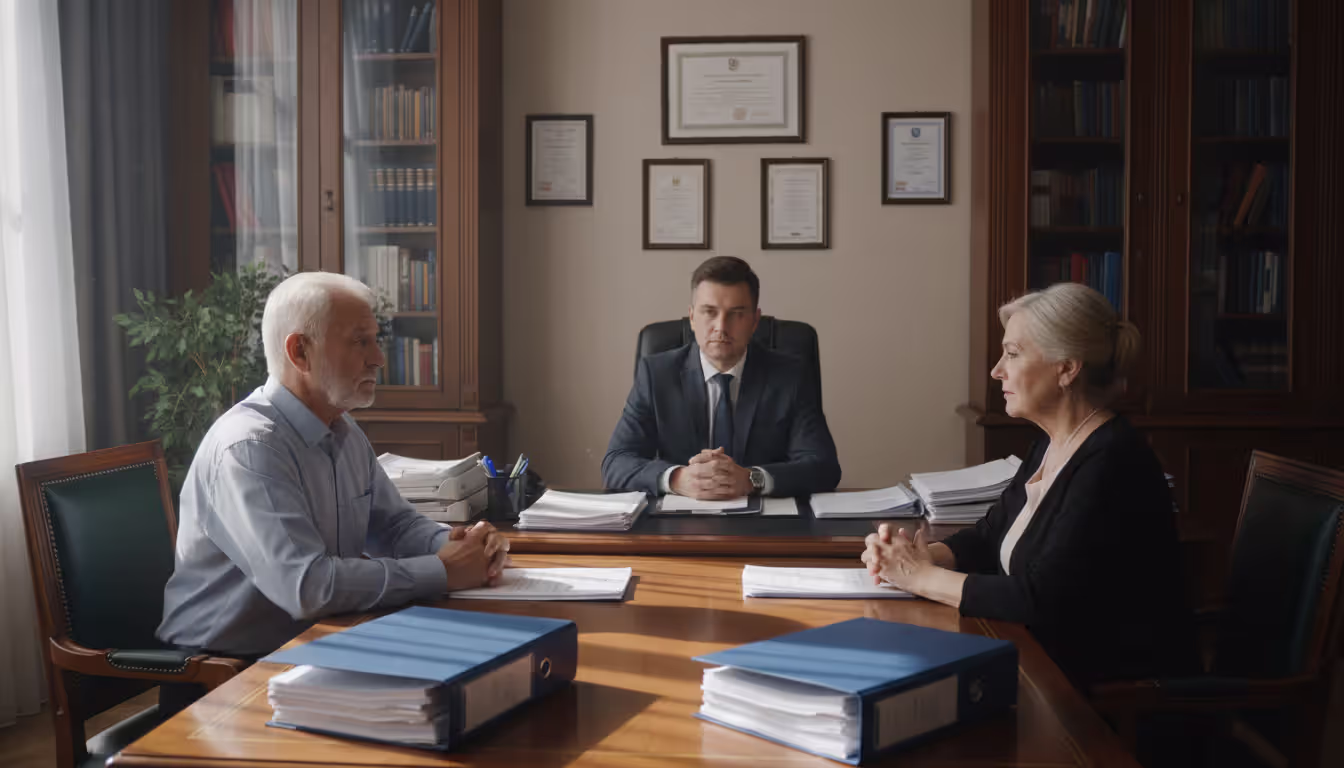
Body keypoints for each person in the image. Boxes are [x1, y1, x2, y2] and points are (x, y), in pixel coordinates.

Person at [157, 272, 508, 676]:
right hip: (223, 676)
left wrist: (461, 544)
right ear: (300, 352)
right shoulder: (250, 448)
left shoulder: (342, 429)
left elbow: (393, 526)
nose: (378, 358)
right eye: (361, 341)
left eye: (377, 340)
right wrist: (444, 570)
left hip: (316, 645)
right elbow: (308, 586)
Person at [862, 282, 1195, 688]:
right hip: (1038, 664)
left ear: (1067, 368)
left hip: (1107, 701)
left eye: (1014, 354)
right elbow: (989, 537)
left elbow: (1039, 600)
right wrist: (919, 556)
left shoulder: (1112, 463)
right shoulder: (1052, 443)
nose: (996, 369)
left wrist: (920, 578)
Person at [602, 256, 841, 499]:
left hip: (766, 524)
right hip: (677, 525)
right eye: (709, 312)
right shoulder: (656, 374)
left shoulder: (791, 376)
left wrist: (752, 479)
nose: (721, 327)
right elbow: (616, 463)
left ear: (754, 321)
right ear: (692, 317)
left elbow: (823, 467)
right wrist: (677, 478)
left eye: (736, 314)